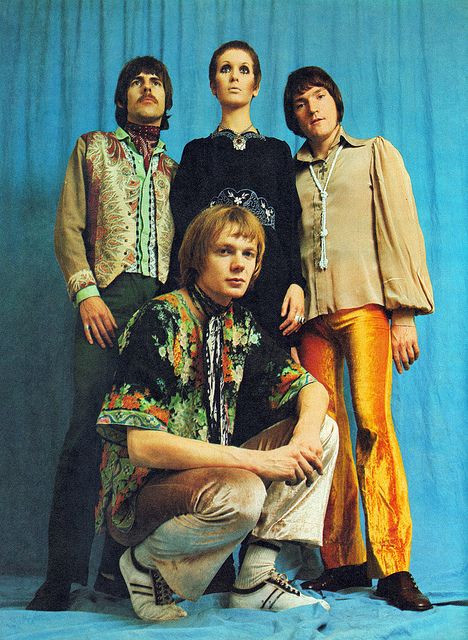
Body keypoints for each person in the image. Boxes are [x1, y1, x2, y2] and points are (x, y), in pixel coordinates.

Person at [95, 204, 339, 623]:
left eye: (248, 254)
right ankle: (143, 565)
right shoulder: (160, 318)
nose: (239, 264)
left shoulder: (237, 324)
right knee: (244, 493)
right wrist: (260, 461)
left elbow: (311, 389)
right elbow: (142, 447)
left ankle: (255, 580)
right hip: (143, 496)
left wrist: (301, 441)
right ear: (197, 258)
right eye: (225, 251)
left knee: (323, 430)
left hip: (206, 478)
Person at [27, 56, 177, 611]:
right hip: (104, 299)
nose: (147, 88)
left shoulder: (176, 169)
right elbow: (68, 227)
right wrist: (86, 293)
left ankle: (120, 570)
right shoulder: (92, 148)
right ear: (122, 98)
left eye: (156, 82)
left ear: (167, 100)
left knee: (144, 436)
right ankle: (60, 576)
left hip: (159, 307)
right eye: (137, 81)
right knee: (88, 431)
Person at [283, 66, 434, 611]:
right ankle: (342, 560)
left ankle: (393, 567)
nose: (313, 108)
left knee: (372, 423)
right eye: (301, 103)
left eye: (320, 96)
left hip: (365, 307)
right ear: (293, 117)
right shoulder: (289, 172)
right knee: (325, 434)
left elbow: (399, 230)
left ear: (336, 101)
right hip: (311, 322)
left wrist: (403, 313)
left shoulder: (373, 154)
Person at [169, 40, 305, 353]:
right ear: (212, 86)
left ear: (255, 86)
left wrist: (297, 284)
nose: (234, 77)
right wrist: (182, 288)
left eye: (244, 70)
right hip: (211, 286)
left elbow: (289, 224)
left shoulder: (277, 151)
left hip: (271, 283)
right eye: (225, 69)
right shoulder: (196, 151)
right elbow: (185, 228)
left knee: (270, 374)